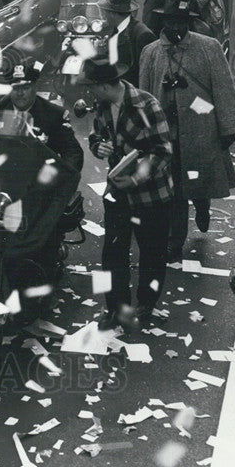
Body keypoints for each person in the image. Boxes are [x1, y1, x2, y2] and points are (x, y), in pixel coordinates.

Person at [139, 0, 235, 262]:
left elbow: (223, 88)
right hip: (166, 133)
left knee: (197, 180)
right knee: (174, 191)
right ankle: (174, 242)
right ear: (163, 21)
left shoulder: (210, 47)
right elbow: (143, 95)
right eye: (171, 21)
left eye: (182, 22)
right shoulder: (150, 52)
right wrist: (144, 131)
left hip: (200, 129)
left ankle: (203, 205)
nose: (176, 27)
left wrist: (228, 126)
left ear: (190, 22)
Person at [81, 58, 173, 330]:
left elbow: (163, 150)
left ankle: (147, 302)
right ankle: (115, 307)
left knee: (152, 251)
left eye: (92, 87)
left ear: (105, 85)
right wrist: (99, 148)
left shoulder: (147, 104)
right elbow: (95, 137)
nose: (89, 93)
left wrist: (135, 178)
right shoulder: (102, 106)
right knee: (112, 252)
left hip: (151, 194)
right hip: (118, 191)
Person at [0, 58, 84, 173]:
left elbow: (72, 152)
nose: (20, 93)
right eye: (15, 88)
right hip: (3, 177)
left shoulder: (53, 114)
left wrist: (62, 179)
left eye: (25, 88)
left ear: (35, 87)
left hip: (40, 178)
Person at [103, 0, 156, 87]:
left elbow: (146, 74)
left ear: (113, 14)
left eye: (105, 12)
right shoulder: (116, 29)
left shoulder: (142, 35)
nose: (104, 16)